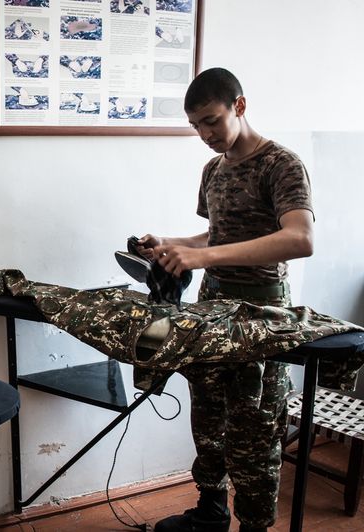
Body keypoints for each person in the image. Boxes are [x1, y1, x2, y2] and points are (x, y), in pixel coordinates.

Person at [138, 68, 314, 532]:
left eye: (212, 121)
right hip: (211, 306)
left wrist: (204, 256)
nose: (204, 134)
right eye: (195, 125)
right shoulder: (213, 169)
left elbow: (299, 238)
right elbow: (219, 233)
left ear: (239, 105)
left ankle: (253, 526)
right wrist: (171, 243)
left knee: (254, 434)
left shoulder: (281, 164)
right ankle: (211, 510)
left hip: (260, 316)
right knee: (209, 419)